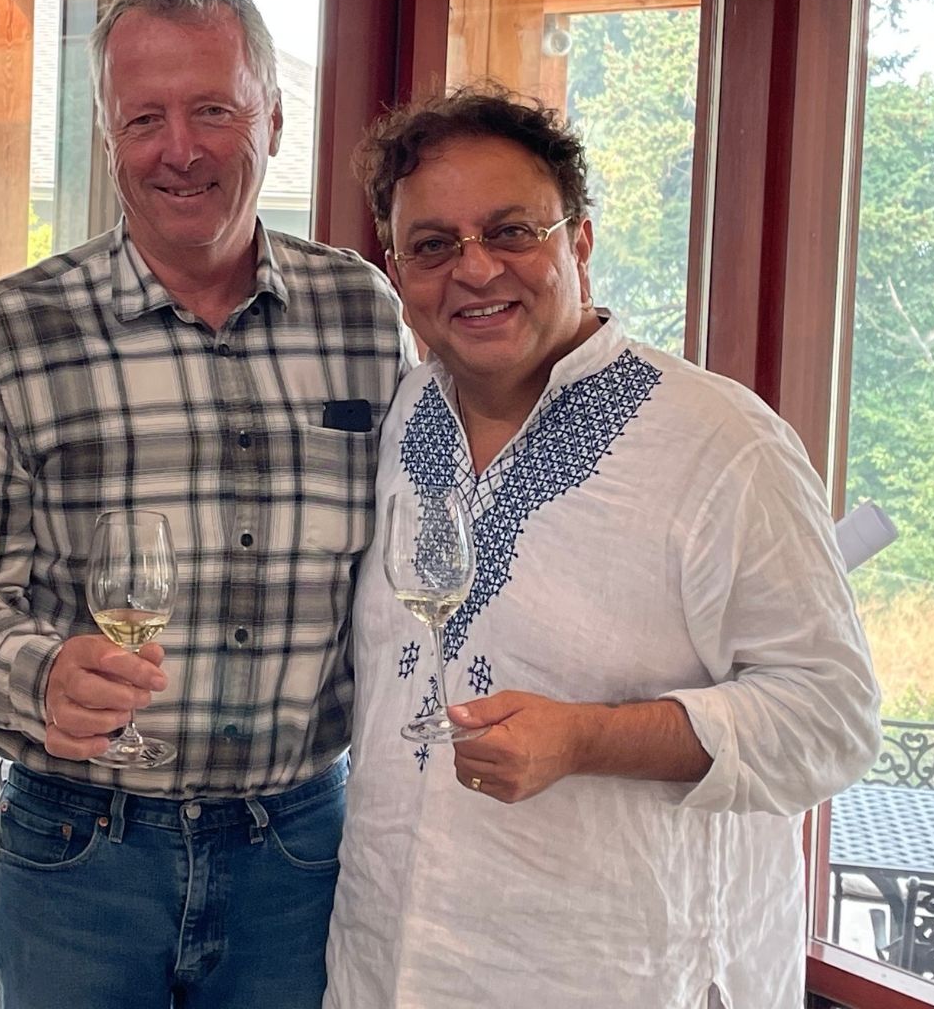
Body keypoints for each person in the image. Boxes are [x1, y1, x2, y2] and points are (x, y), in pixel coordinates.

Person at [324, 88, 881, 1009]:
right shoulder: (404, 416)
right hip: (386, 964)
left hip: (615, 973)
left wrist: (588, 738)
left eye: (511, 232)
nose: (474, 270)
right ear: (397, 267)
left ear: (578, 241)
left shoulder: (718, 444)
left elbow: (832, 720)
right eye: (433, 245)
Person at [0, 0, 412, 1009]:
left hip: (302, 848)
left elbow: (414, 558)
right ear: (107, 138)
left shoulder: (365, 315)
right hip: (80, 848)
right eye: (144, 118)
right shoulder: (15, 330)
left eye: (214, 109)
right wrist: (42, 679)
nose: (181, 149)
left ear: (276, 120)